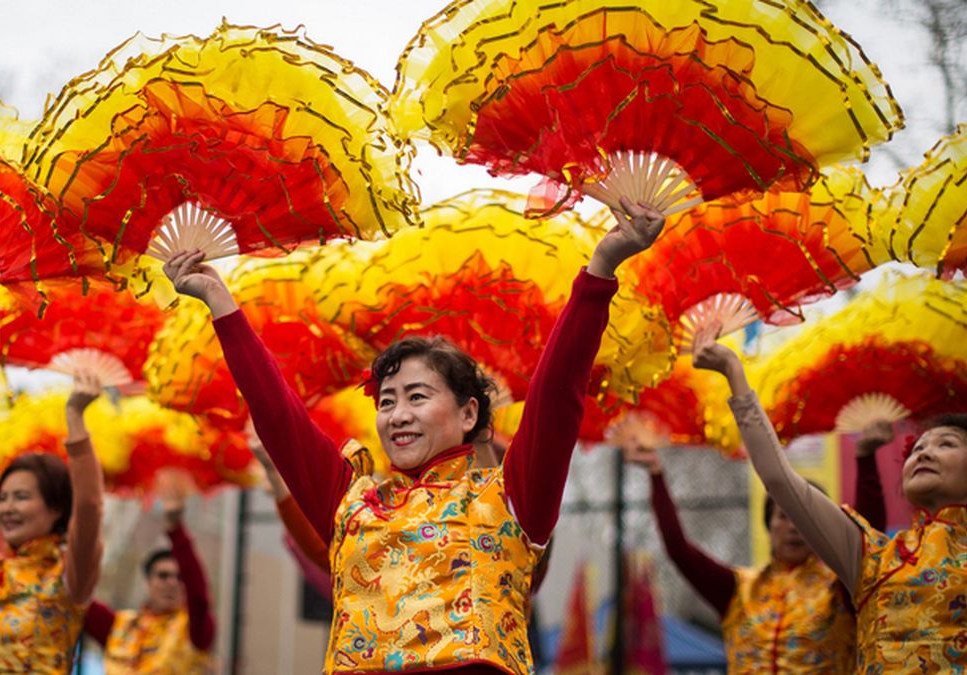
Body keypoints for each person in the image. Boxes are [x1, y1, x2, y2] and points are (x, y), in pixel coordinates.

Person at [161, 196, 664, 674]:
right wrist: (219, 302)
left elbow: (556, 395)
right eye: (386, 401)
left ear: (468, 413)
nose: (397, 414)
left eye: (417, 396)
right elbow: (278, 415)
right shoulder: (351, 501)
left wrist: (601, 269)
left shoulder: (510, 498)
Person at [690, 323, 967, 673]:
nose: (924, 453)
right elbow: (779, 479)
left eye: (946, 444)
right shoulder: (873, 557)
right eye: (917, 449)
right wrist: (734, 372)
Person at [624, 416, 890, 673]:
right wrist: (656, 473)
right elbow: (679, 551)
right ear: (769, 524)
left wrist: (865, 457)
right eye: (784, 516)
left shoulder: (838, 588)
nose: (794, 527)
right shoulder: (738, 590)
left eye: (804, 519)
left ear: (822, 529)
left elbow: (865, 542)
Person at [0, 373, 105, 674]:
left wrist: (75, 416)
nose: (8, 508)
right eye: (4, 498)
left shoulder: (66, 574)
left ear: (57, 508)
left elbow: (89, 507)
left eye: (22, 497)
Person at [83, 470, 216, 674]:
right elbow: (78, 597)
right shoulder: (119, 626)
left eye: (180, 578)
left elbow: (199, 597)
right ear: (147, 582)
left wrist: (175, 528)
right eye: (163, 575)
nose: (172, 582)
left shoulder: (194, 631)